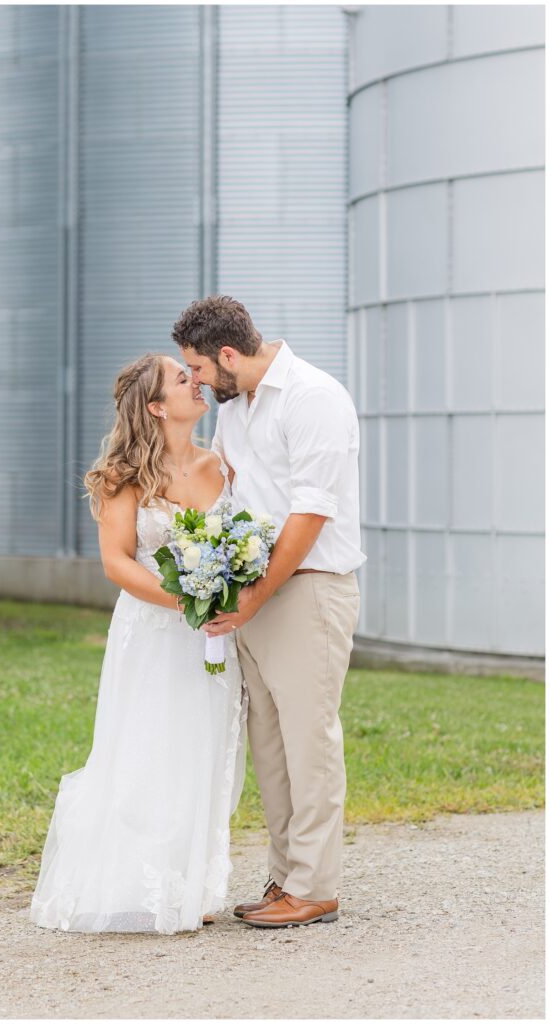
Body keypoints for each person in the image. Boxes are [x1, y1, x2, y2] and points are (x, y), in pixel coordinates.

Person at [29, 352, 248, 935]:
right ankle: (133, 881)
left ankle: (190, 884)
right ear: (156, 407)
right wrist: (187, 603)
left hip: (211, 640)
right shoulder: (122, 476)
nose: (196, 382)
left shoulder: (222, 466)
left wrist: (222, 600)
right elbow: (116, 563)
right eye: (183, 379)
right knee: (146, 746)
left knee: (204, 745)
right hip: (152, 634)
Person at [173, 295, 366, 929]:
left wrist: (255, 595)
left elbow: (310, 512)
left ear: (228, 355)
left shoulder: (314, 398)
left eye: (198, 369)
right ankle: (286, 877)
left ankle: (316, 885)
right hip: (257, 593)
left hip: (308, 590)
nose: (196, 381)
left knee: (310, 739)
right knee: (270, 743)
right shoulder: (238, 406)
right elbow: (234, 491)